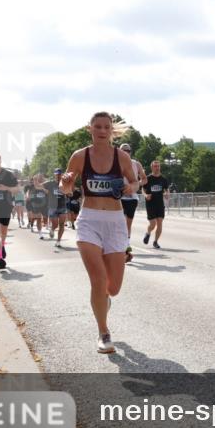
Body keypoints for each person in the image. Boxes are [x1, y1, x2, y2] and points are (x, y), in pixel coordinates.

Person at [60, 112, 139, 353]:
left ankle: (104, 302)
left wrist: (129, 186)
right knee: (98, 280)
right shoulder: (80, 156)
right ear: (90, 129)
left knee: (112, 288)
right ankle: (103, 333)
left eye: (106, 127)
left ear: (111, 130)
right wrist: (66, 183)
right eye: (98, 127)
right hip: (89, 221)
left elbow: (136, 183)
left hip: (115, 222)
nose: (102, 131)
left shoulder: (122, 157)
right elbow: (66, 186)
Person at [118, 143, 147, 262]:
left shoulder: (136, 164)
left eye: (128, 150)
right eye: (123, 150)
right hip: (119, 197)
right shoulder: (115, 163)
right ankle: (120, 246)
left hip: (132, 197)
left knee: (127, 223)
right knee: (119, 222)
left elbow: (144, 179)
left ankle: (126, 246)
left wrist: (135, 185)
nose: (126, 152)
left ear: (131, 152)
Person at [142, 160, 170, 249]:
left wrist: (167, 194)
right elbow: (143, 189)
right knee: (153, 224)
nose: (157, 168)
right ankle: (148, 232)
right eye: (155, 166)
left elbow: (167, 189)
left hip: (160, 204)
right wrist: (146, 195)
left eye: (158, 166)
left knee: (160, 223)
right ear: (152, 167)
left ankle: (155, 241)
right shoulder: (148, 178)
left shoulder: (163, 179)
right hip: (150, 204)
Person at [45, 168, 68, 247]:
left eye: (59, 174)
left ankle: (58, 241)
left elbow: (70, 191)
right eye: (56, 174)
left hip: (62, 206)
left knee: (61, 224)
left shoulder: (65, 183)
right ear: (54, 175)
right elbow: (40, 186)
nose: (58, 176)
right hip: (53, 207)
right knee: (55, 224)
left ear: (62, 175)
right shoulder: (50, 183)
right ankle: (52, 229)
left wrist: (70, 193)